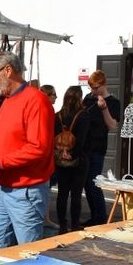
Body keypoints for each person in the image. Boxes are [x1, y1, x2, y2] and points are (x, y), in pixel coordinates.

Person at [0, 51, 55, 250]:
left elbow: (38, 148)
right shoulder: (7, 102)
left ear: (8, 70)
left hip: (26, 191)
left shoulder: (36, 101)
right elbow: (5, 142)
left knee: (29, 254)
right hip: (4, 189)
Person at [81, 70, 119, 226]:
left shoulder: (113, 102)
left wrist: (104, 108)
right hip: (84, 146)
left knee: (93, 181)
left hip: (98, 146)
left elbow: (112, 125)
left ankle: (101, 216)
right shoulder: (88, 99)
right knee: (85, 182)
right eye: (91, 88)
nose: (93, 91)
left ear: (104, 84)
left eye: (96, 88)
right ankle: (95, 215)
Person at [54, 86, 90, 234]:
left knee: (62, 193)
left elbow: (54, 137)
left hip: (61, 160)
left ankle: (62, 225)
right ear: (79, 98)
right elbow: (81, 141)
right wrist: (73, 154)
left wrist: (62, 153)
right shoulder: (83, 115)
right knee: (76, 194)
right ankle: (74, 225)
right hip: (78, 161)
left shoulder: (58, 116)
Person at [40, 84, 59, 229]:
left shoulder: (50, 110)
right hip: (45, 155)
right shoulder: (46, 110)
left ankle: (45, 217)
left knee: (46, 188)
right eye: (53, 94)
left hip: (48, 154)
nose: (56, 97)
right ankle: (44, 218)